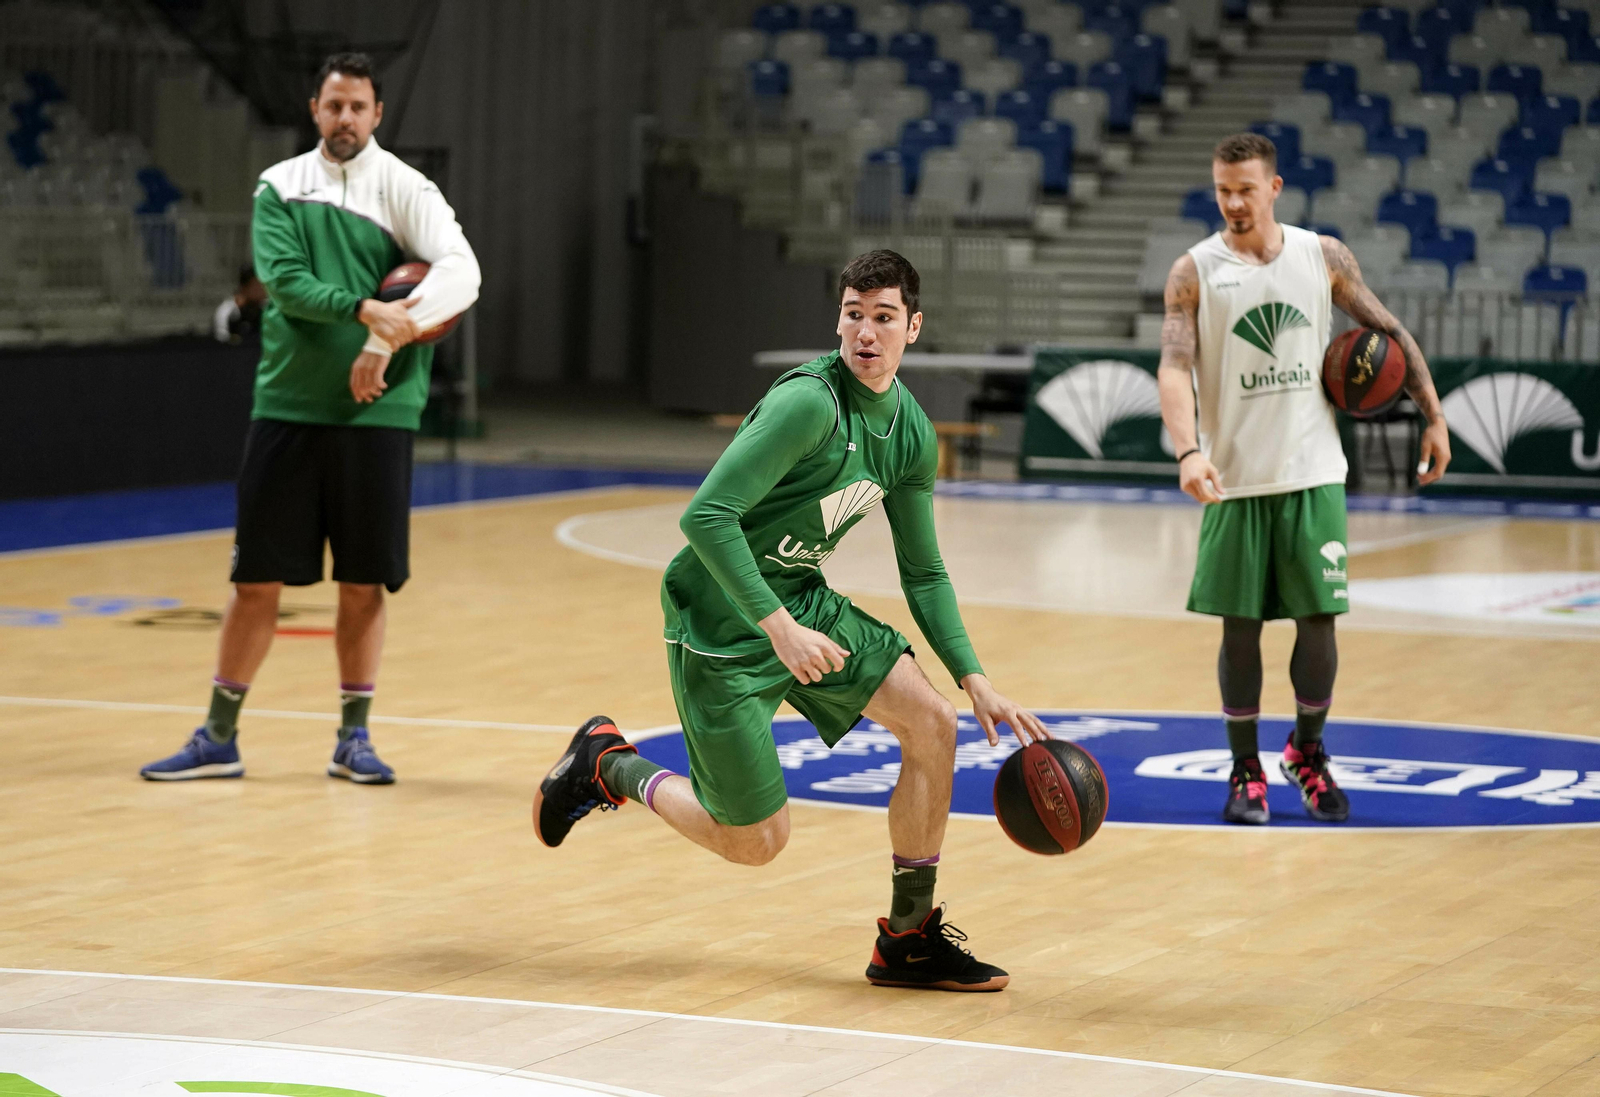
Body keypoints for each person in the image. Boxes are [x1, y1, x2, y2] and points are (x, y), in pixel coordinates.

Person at [533, 250, 1049, 992]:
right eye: (853, 314)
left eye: (883, 317)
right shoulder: (809, 404)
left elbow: (924, 572)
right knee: (755, 843)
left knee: (934, 722)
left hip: (800, 600)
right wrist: (776, 627)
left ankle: (908, 939)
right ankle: (609, 765)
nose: (865, 332)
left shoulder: (910, 431)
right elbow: (705, 518)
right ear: (838, 318)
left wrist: (975, 676)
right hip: (721, 618)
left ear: (913, 327)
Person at [141, 52, 480, 784]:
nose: (345, 118)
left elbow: (463, 273)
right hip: (288, 406)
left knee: (363, 583)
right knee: (255, 581)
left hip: (379, 414)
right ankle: (218, 735)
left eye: (358, 106)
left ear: (377, 113)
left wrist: (384, 339)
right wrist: (366, 310)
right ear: (314, 110)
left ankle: (354, 739)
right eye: (334, 106)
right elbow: (287, 284)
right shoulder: (280, 186)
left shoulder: (407, 188)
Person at [1157, 133, 1451, 825]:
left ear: (1275, 187)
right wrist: (1188, 451)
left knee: (1319, 622)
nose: (1233, 202)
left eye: (1245, 189)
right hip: (1233, 478)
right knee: (1240, 630)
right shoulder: (1194, 270)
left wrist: (1434, 416)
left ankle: (1307, 752)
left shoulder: (1322, 257)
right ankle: (1245, 768)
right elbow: (1173, 366)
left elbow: (1390, 332)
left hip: (1314, 472)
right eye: (1223, 190)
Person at [213, 265, 267, 343]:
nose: (263, 290)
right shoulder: (227, 311)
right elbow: (221, 341)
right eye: (257, 286)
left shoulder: (266, 309)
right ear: (244, 287)